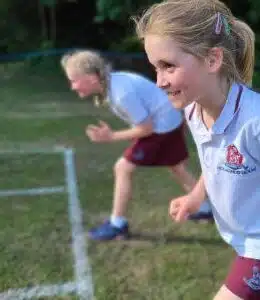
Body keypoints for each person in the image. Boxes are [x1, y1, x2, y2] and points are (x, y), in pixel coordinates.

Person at [134, 0, 260, 299]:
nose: (159, 81)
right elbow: (215, 162)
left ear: (212, 60)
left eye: (168, 66)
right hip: (248, 243)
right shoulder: (193, 110)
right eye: (155, 68)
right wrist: (196, 196)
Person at [60, 50, 213, 241]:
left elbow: (146, 129)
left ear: (91, 78)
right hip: (170, 121)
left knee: (123, 168)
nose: (72, 86)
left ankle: (118, 225)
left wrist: (111, 136)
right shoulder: (112, 84)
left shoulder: (120, 93)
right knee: (176, 167)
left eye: (74, 80)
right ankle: (204, 209)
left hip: (162, 128)